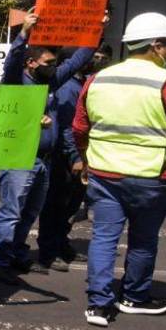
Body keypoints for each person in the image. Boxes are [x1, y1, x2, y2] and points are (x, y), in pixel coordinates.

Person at [73, 12, 166, 327]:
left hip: (104, 173)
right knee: (143, 239)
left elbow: (79, 127)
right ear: (156, 46)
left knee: (103, 237)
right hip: (151, 178)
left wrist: (86, 159)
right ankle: (134, 296)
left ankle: (98, 305)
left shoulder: (97, 78)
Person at [0, 9, 100, 284]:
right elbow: (13, 60)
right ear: (31, 63)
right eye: (48, 61)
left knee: (29, 212)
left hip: (43, 160)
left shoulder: (48, 82)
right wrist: (24, 33)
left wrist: (96, 29)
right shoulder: (16, 81)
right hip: (18, 156)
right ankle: (0, 261)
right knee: (11, 212)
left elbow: (77, 61)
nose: (53, 65)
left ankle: (15, 252)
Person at [36, 43, 112, 270]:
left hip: (81, 153)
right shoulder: (68, 88)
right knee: (56, 205)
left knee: (70, 204)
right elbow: (69, 127)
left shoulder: (81, 83)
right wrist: (74, 157)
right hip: (65, 157)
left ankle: (61, 243)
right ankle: (49, 251)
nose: (94, 60)